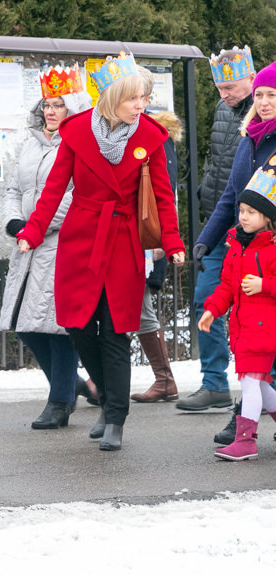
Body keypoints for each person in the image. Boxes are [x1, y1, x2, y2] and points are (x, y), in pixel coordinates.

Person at [17, 53, 185, 452]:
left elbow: (163, 196)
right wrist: (34, 230)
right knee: (77, 327)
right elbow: (55, 188)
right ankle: (108, 399)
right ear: (112, 98)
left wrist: (173, 241)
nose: (141, 106)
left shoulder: (150, 138)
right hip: (81, 237)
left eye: (144, 98)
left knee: (114, 331)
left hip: (124, 241)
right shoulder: (76, 133)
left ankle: (116, 416)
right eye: (133, 100)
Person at [0, 64, 93, 429]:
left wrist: (38, 226)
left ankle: (61, 400)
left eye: (58, 104)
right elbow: (13, 189)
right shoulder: (30, 143)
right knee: (25, 323)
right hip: (26, 243)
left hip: (61, 243)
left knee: (56, 326)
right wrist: (16, 223)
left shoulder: (81, 143)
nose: (50, 111)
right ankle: (72, 385)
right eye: (46, 105)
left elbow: (74, 196)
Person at [184, 46, 257, 413]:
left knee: (255, 309)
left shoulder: (262, 114)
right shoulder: (221, 109)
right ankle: (214, 383)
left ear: (251, 78)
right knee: (206, 300)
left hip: (254, 227)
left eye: (231, 86)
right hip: (220, 220)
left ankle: (258, 389)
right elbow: (218, 162)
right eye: (219, 87)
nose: (224, 94)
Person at [198, 166, 276, 461]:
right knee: (262, 383)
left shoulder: (272, 248)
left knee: (250, 381)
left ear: (267, 218)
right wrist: (211, 310)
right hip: (244, 328)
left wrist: (264, 284)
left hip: (265, 328)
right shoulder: (235, 247)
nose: (244, 217)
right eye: (242, 210)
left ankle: (246, 442)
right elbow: (227, 288)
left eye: (251, 213)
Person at [131, 67, 183, 403]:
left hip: (144, 236)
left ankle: (164, 379)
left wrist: (163, 239)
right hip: (125, 232)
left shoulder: (153, 135)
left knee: (138, 306)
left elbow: (164, 194)